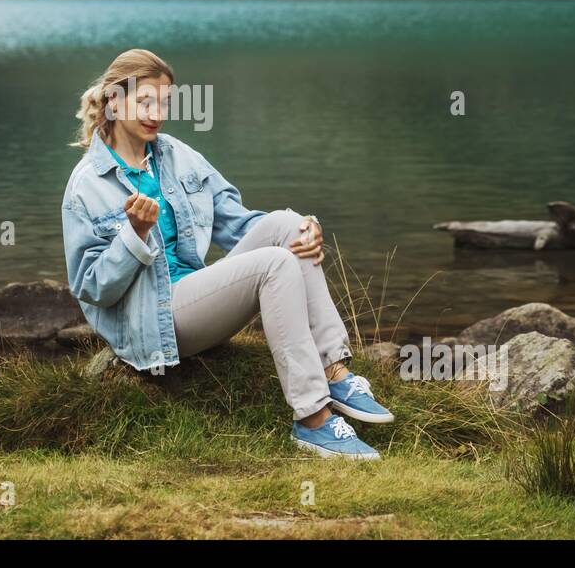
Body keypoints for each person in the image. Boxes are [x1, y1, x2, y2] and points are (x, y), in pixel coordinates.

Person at [61, 48, 393, 460]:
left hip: (195, 296)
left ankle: (335, 371)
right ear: (114, 100)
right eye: (144, 101)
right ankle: (312, 419)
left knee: (289, 224)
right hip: (153, 323)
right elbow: (91, 287)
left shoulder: (176, 156)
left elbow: (239, 222)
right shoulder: (87, 185)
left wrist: (308, 228)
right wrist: (133, 236)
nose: (156, 113)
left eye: (163, 103)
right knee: (275, 264)